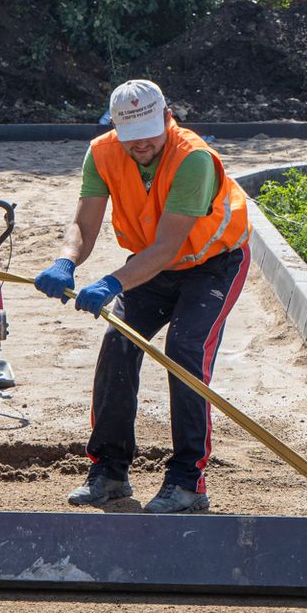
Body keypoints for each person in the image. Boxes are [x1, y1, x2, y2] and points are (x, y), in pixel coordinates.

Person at [34, 80, 251, 514]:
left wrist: (113, 282)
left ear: (167, 117)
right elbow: (85, 223)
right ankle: (110, 473)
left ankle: (189, 481)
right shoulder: (102, 153)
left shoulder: (192, 159)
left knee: (186, 350)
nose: (142, 144)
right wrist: (65, 261)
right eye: (131, 137)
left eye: (151, 132)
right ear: (115, 128)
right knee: (119, 344)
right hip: (150, 265)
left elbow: (168, 247)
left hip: (212, 264)